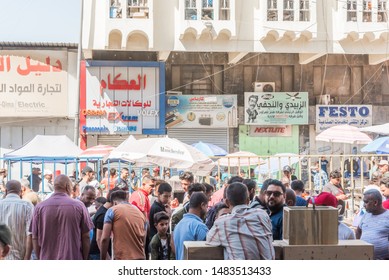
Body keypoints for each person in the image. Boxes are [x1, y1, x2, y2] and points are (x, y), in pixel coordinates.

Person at [206, 182, 275, 260]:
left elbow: (210, 240)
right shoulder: (262, 215)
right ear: (248, 200)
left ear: (227, 202)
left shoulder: (222, 222)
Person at [31, 175, 93, 260]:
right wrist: (85, 258)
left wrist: (40, 257)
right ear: (67, 187)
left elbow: (34, 237)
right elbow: (86, 236)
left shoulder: (39, 208)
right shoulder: (79, 206)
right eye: (71, 187)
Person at [100, 189, 146, 260]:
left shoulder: (112, 210)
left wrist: (102, 259)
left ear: (114, 203)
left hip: (123, 258)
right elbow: (144, 238)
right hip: (140, 257)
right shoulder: (140, 213)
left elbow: (104, 239)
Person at [0, 180, 34, 260]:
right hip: (21, 257)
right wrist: (27, 257)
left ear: (6, 191)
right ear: (21, 191)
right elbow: (30, 234)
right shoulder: (27, 206)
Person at [173, 192, 209, 260]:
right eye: (207, 207)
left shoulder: (179, 225)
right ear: (202, 205)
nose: (207, 211)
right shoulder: (199, 227)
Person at [356, 189, 389, 259]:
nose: (364, 205)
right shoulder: (366, 215)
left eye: (366, 202)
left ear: (375, 202)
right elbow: (358, 231)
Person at [89, 187, 119, 260]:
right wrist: (106, 257)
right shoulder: (103, 215)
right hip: (97, 253)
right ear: (115, 201)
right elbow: (99, 239)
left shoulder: (105, 211)